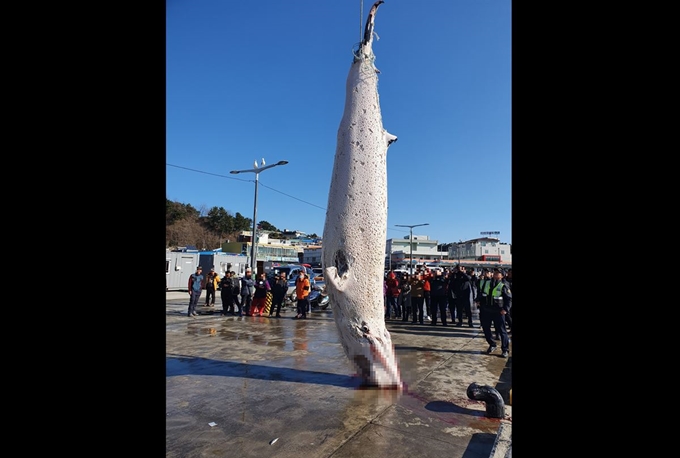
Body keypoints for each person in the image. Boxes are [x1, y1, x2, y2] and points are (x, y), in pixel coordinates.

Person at [478, 268, 512, 358]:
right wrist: (478, 300)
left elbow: (509, 299)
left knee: (502, 331)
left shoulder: (504, 285)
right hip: (487, 310)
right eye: (495, 272)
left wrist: (505, 309)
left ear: (502, 275)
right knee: (486, 328)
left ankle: (505, 350)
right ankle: (492, 344)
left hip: (498, 311)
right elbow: (483, 294)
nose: (496, 274)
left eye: (498, 273)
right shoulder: (487, 282)